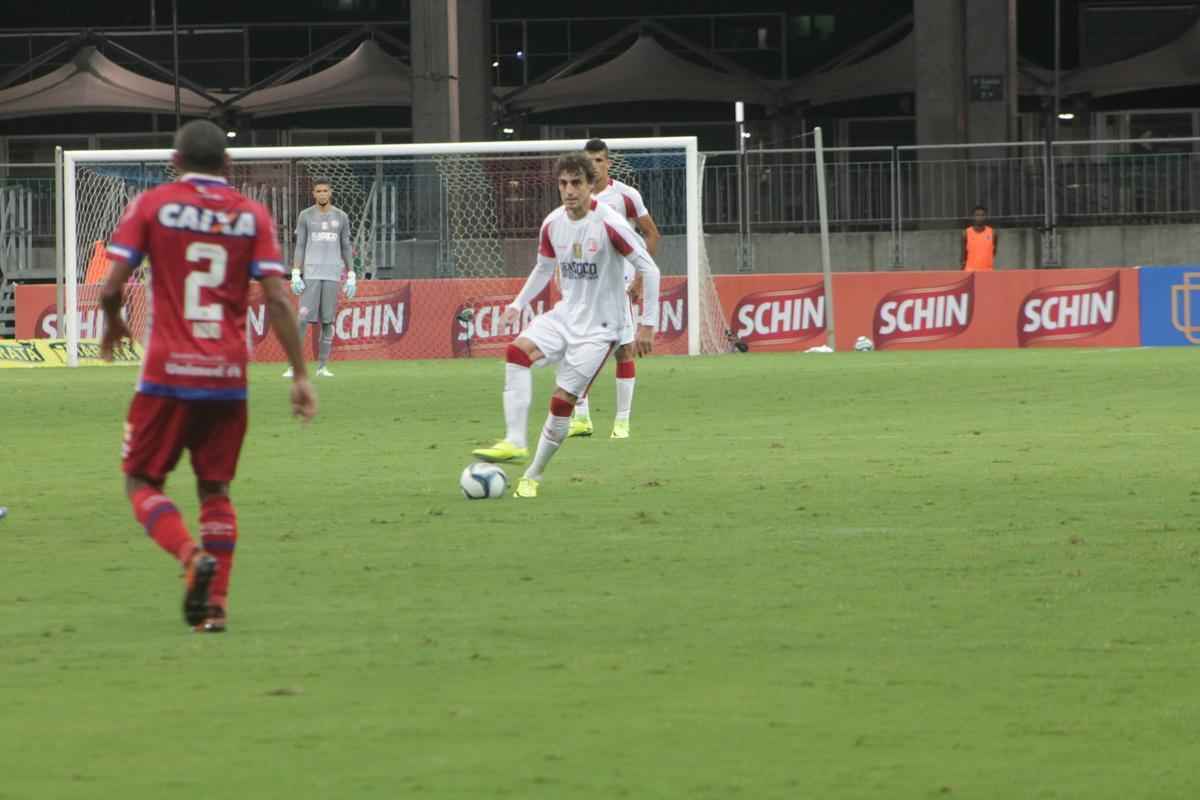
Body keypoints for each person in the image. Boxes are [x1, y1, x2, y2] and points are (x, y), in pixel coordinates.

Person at [99, 119, 318, 633]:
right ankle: (215, 608)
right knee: (215, 489)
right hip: (227, 376)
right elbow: (279, 298)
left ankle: (190, 556)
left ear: (174, 163)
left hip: (165, 376)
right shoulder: (252, 215)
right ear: (229, 165)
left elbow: (111, 288)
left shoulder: (151, 205)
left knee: (140, 480)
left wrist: (113, 323)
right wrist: (300, 374)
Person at [472, 152, 661, 498]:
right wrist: (518, 304)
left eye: (577, 182)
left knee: (562, 401)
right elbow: (544, 268)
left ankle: (533, 475)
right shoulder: (553, 223)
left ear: (591, 185)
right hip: (566, 314)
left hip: (602, 328)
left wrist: (647, 324)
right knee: (516, 352)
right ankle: (515, 440)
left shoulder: (610, 224)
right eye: (563, 183)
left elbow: (650, 268)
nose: (569, 190)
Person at [568, 138, 663, 440]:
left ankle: (622, 421)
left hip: (619, 286)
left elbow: (651, 234)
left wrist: (638, 278)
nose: (594, 166)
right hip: (585, 287)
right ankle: (581, 419)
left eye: (599, 160)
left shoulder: (625, 196)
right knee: (579, 350)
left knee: (623, 350)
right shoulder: (574, 197)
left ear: (608, 163)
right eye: (589, 161)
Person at [285, 178, 356, 378]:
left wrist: (351, 274)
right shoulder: (305, 215)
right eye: (319, 190)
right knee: (302, 319)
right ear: (314, 193)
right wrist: (296, 272)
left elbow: (345, 246)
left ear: (330, 192)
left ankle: (322, 366)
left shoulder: (341, 217)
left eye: (325, 190)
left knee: (327, 321)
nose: (322, 193)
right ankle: (293, 366)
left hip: (333, 274)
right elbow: (300, 245)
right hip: (312, 274)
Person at [962, 205, 997, 271]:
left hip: (988, 271)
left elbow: (994, 251)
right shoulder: (966, 233)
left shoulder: (993, 233)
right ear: (973, 217)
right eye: (977, 215)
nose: (980, 217)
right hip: (970, 271)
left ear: (986, 217)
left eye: (982, 215)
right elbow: (963, 254)